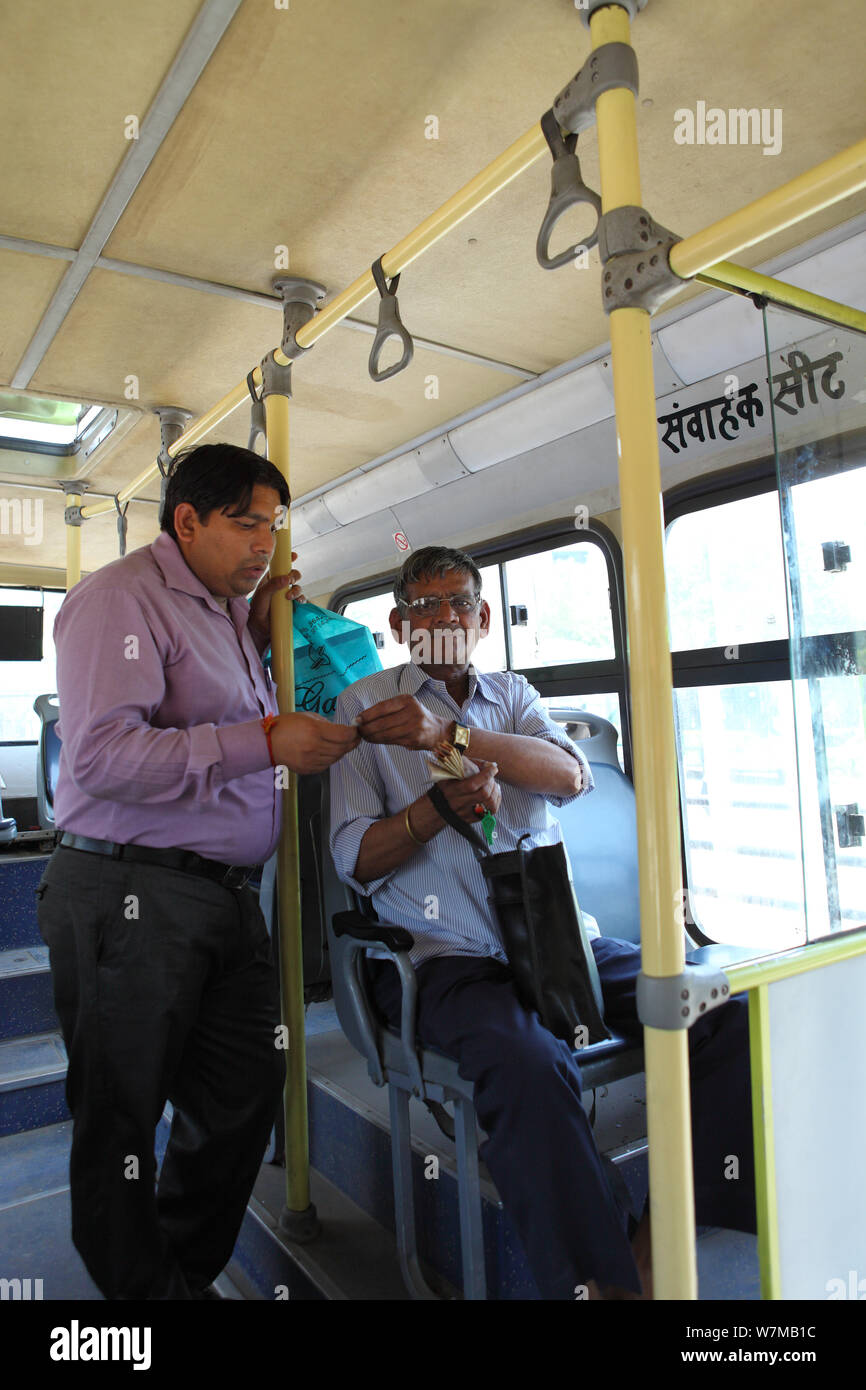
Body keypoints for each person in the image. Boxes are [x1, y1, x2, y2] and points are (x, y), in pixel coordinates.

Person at [329, 544, 757, 1299]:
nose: (442, 619)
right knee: (530, 1067)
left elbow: (570, 774)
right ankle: (606, 1282)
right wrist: (433, 811)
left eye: (458, 602)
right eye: (423, 607)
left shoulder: (515, 694)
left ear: (483, 617)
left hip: (559, 940)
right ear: (398, 625)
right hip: (448, 957)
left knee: (726, 1007)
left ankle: (661, 1238)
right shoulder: (363, 708)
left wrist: (450, 738)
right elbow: (356, 861)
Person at [37, 442, 359, 1300]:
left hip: (221, 897)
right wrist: (262, 741)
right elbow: (101, 757)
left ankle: (170, 1278)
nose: (266, 544)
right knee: (123, 1124)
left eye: (274, 527)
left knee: (244, 1095)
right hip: (128, 893)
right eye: (246, 524)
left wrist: (254, 638)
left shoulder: (227, 614)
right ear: (188, 521)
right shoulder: (120, 600)